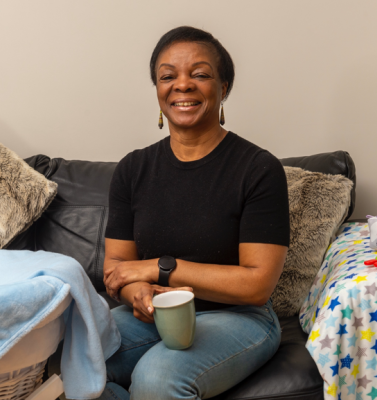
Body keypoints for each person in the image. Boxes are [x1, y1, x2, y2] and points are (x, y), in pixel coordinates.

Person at [100, 26, 290, 400]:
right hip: (157, 313)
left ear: (224, 88)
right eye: (167, 76)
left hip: (239, 316)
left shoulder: (258, 169)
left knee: (157, 379)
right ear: (157, 89)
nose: (182, 85)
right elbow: (117, 267)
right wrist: (140, 293)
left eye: (200, 74)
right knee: (77, 352)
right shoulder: (132, 169)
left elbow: (257, 285)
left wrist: (159, 268)